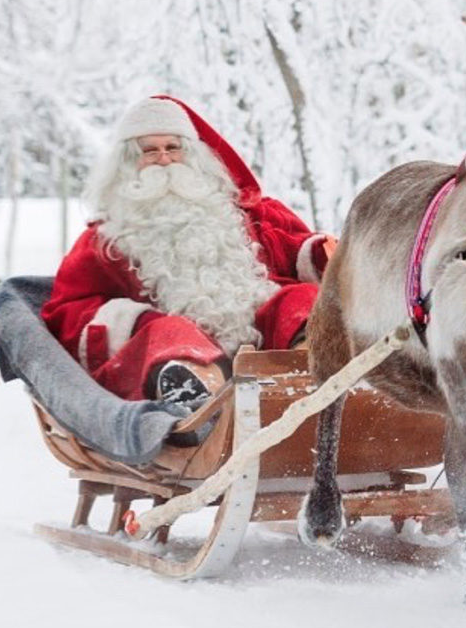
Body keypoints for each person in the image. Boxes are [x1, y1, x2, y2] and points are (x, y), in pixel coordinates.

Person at [41, 95, 333, 405]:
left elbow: (299, 248)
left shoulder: (246, 213)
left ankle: (310, 370)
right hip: (175, 355)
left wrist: (328, 255)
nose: (165, 159)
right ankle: (198, 396)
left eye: (173, 148)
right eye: (149, 151)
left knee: (301, 300)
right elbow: (69, 309)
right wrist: (135, 321)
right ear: (127, 163)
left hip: (268, 344)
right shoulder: (105, 239)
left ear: (193, 155)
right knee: (167, 332)